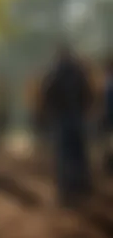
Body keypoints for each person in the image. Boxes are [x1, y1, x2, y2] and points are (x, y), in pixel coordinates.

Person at [42, 45, 93, 207]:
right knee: (79, 151)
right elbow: (87, 93)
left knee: (64, 153)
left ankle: (65, 188)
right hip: (76, 117)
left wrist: (52, 112)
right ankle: (81, 185)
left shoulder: (54, 74)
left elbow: (47, 94)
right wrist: (83, 109)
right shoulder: (79, 73)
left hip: (62, 118)